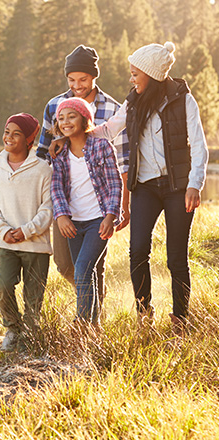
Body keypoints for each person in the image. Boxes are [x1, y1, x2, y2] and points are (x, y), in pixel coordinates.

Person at [91, 42, 208, 336]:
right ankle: (145, 313)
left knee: (175, 257)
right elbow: (110, 129)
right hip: (144, 186)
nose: (131, 79)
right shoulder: (133, 102)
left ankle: (180, 319)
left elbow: (199, 145)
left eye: (135, 74)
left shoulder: (183, 101)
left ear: (152, 74)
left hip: (177, 187)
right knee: (138, 249)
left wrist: (194, 184)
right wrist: (76, 134)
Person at [37, 44, 130, 309]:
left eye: (83, 79)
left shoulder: (111, 108)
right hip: (66, 203)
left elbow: (122, 160)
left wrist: (122, 207)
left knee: (92, 264)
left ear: (94, 77)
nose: (77, 85)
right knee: (66, 264)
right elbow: (43, 153)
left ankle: (89, 323)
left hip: (100, 204)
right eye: (71, 79)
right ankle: (93, 301)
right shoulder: (55, 105)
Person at [50, 97, 122, 326]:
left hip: (98, 221)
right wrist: (61, 216)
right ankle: (92, 327)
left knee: (83, 269)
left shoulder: (101, 147)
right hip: (74, 223)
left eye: (71, 116)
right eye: (61, 118)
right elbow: (57, 187)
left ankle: (81, 324)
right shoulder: (59, 153)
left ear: (85, 120)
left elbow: (115, 184)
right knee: (84, 272)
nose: (65, 122)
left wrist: (110, 217)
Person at [0, 113, 52, 352]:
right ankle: (13, 329)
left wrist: (26, 231)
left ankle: (33, 336)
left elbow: (48, 208)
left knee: (34, 297)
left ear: (29, 140)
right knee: (3, 286)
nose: (9, 137)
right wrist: (4, 232)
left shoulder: (43, 170)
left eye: (16, 134)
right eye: (6, 132)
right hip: (6, 244)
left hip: (36, 245)